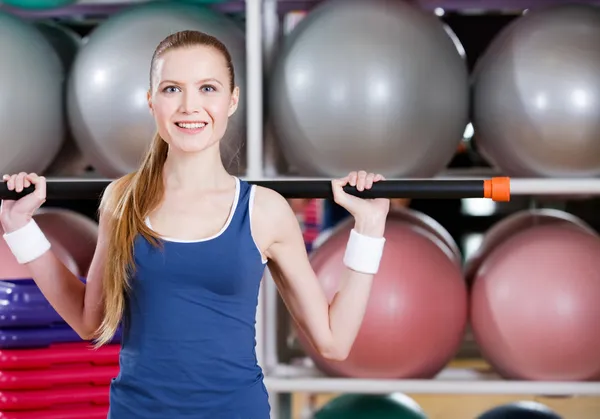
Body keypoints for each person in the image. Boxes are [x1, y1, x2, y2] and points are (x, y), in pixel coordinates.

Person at [0, 30, 390, 418]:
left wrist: (369, 231)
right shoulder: (124, 201)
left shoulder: (263, 210)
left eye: (208, 88)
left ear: (232, 100)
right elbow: (90, 322)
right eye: (172, 89)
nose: (190, 106)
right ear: (151, 101)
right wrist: (21, 229)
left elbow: (334, 342)